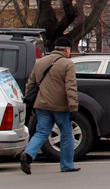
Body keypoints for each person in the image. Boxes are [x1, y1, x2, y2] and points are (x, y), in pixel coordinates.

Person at [20, 37, 80, 174]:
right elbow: (70, 87)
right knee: (66, 134)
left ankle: (28, 154)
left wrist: (30, 101)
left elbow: (30, 84)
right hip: (60, 106)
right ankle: (67, 164)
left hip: (41, 104)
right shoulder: (67, 64)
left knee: (41, 132)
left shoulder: (40, 62)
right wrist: (73, 106)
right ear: (67, 49)